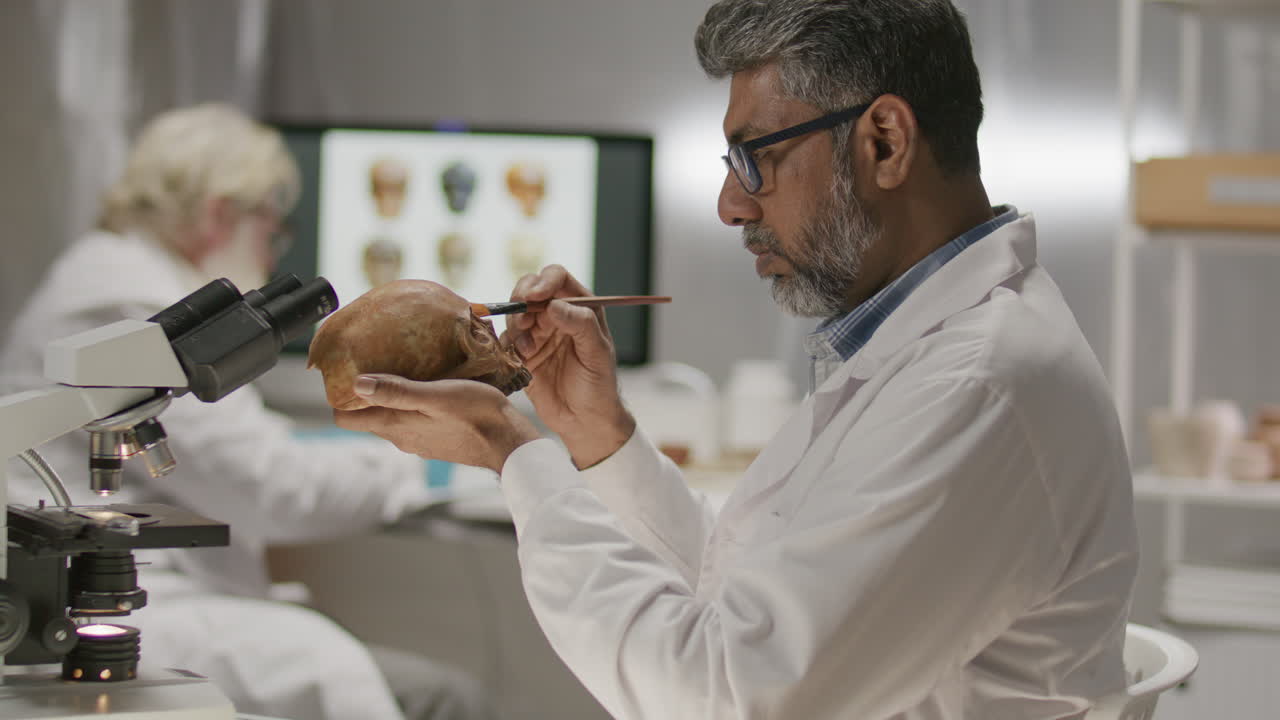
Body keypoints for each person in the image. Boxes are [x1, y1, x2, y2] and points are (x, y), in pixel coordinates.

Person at [336, 1, 1139, 718]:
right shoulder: (926, 350)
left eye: (755, 156)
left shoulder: (978, 384)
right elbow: (736, 600)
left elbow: (726, 697)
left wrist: (511, 451)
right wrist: (595, 436)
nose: (730, 204)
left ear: (885, 142)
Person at [0, 104, 496, 720]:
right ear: (218, 214)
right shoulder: (125, 297)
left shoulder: (111, 274)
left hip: (125, 594)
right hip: (110, 610)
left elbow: (249, 451)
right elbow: (272, 487)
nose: (271, 250)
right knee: (431, 692)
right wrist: (431, 462)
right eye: (272, 230)